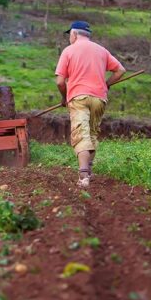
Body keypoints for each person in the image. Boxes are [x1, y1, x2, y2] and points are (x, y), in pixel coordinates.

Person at [54, 21, 126, 188]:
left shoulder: (69, 50)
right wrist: (106, 84)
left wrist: (64, 97)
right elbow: (120, 70)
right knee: (92, 134)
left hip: (78, 98)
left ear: (73, 34)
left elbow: (59, 82)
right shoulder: (101, 50)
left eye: (69, 35)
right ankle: (89, 170)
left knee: (81, 135)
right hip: (99, 99)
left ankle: (83, 175)